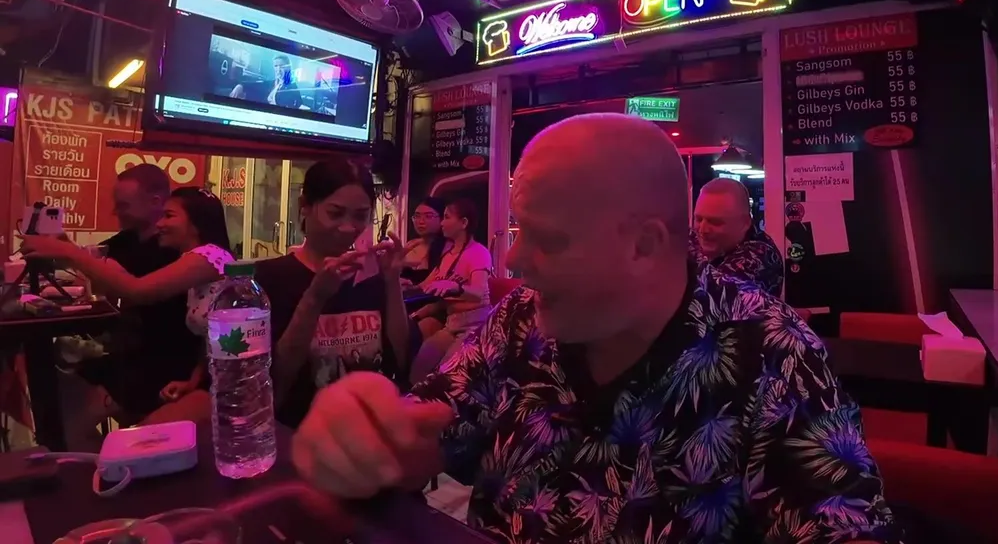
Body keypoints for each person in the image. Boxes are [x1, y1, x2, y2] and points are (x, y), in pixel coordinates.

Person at [293, 114, 898, 543]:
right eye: (518, 231)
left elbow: (841, 526)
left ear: (644, 245)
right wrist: (370, 437)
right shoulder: (522, 318)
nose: (513, 262)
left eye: (547, 239)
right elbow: (431, 428)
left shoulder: (774, 351)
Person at [23, 187, 235, 420]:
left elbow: (137, 291)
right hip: (201, 375)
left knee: (89, 406)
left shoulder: (209, 257)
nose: (160, 224)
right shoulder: (193, 257)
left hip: (227, 382)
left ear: (197, 223)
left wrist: (69, 252)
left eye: (169, 216)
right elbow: (209, 337)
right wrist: (193, 381)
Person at [255, 159, 413, 429]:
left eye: (360, 216)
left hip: (369, 428)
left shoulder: (369, 275)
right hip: (303, 434)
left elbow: (399, 358)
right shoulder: (269, 277)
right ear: (305, 206)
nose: (348, 227)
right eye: (335, 213)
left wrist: (392, 281)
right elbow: (276, 379)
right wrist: (315, 297)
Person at [67, 165, 196, 427]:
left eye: (123, 205)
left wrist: (95, 268)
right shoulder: (126, 241)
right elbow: (94, 265)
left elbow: (137, 290)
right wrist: (64, 246)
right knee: (63, 384)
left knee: (73, 417)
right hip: (130, 354)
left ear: (156, 202)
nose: (116, 212)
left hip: (163, 365)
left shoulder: (181, 252)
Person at [408, 199, 491, 379]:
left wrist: (456, 287)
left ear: (463, 223)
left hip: (475, 325)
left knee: (445, 375)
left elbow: (477, 293)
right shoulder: (447, 255)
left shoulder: (479, 252)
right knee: (417, 371)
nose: (442, 223)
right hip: (451, 324)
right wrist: (402, 282)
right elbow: (424, 286)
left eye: (446, 217)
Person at [691, 177, 784, 296]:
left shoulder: (758, 256)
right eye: (698, 219)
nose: (703, 229)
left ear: (744, 223)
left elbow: (710, 296)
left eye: (715, 222)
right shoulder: (705, 241)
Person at [401, 198, 447, 283]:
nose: (421, 221)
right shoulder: (411, 245)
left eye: (428, 216)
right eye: (417, 216)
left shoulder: (448, 247)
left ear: (442, 219)